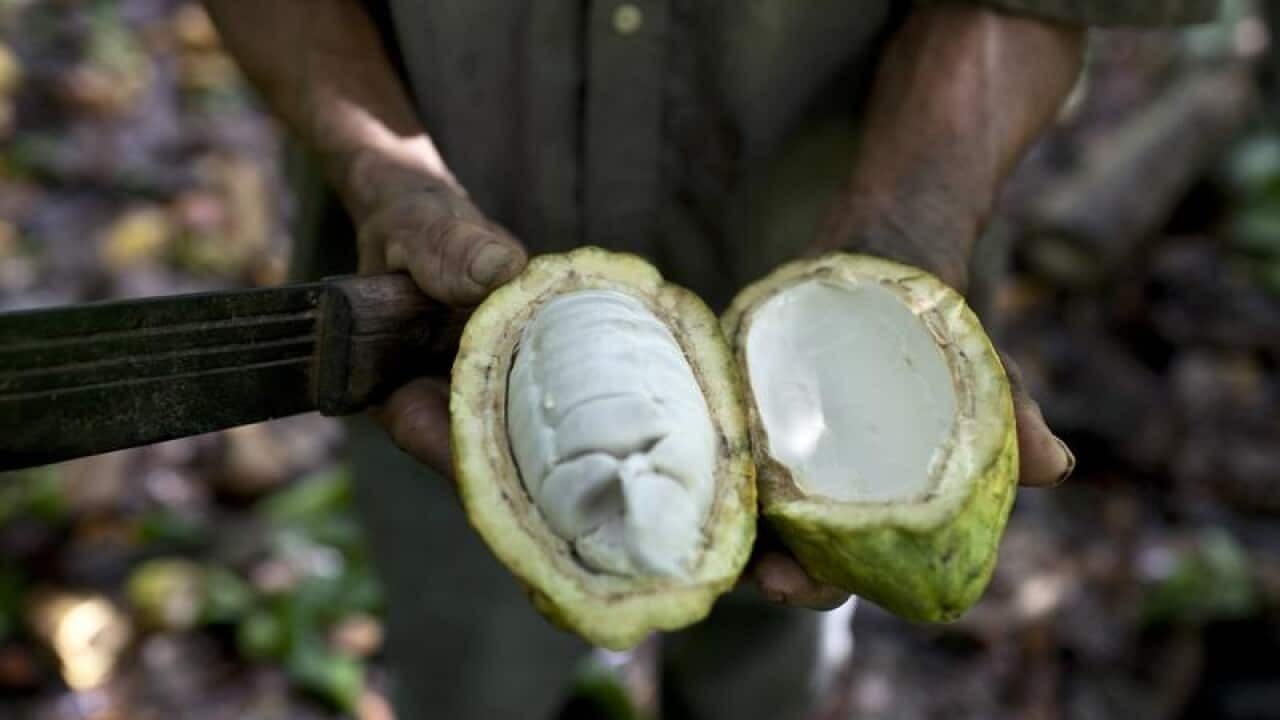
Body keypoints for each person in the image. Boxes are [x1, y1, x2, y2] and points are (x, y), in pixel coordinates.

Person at [203, 2, 1218, 717]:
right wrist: (380, 172)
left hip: (815, 220)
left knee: (767, 668)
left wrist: (913, 208)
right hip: (432, 314)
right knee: (467, 663)